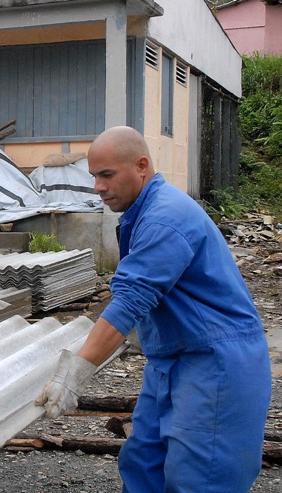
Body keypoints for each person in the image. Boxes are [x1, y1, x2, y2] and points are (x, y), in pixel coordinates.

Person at [35, 126, 272, 492]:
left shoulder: (165, 217)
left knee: (200, 477)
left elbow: (130, 299)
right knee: (144, 463)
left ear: (141, 165)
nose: (98, 187)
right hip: (171, 359)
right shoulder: (142, 211)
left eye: (107, 175)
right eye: (94, 176)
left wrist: (74, 374)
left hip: (215, 363)